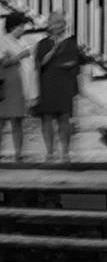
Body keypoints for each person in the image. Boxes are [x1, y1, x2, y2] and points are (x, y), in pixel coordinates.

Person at [34, 11, 86, 163]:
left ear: (64, 25)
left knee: (64, 117)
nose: (57, 26)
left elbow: (75, 63)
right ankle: (50, 152)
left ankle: (65, 152)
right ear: (49, 26)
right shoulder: (43, 43)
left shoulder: (71, 43)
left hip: (65, 84)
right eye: (54, 23)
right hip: (47, 82)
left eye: (60, 23)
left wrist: (66, 65)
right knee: (47, 118)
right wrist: (53, 50)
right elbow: (40, 63)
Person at [0, 12, 37, 161]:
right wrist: (21, 55)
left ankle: (18, 153)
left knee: (17, 120)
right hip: (4, 83)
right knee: (0, 120)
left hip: (18, 84)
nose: (23, 29)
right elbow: (0, 62)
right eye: (21, 25)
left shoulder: (20, 41)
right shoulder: (3, 41)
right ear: (13, 26)